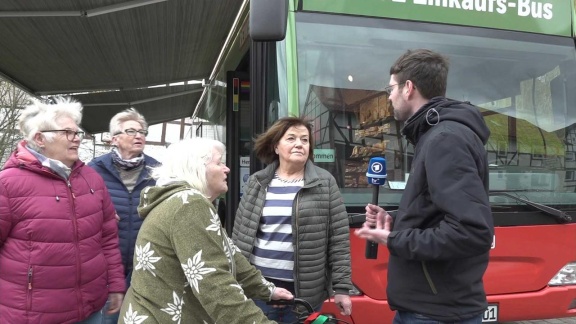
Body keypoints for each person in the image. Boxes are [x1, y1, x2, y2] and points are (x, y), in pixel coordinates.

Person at [355, 49, 494, 323]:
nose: (389, 96)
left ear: (408, 88)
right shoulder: (436, 134)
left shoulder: (444, 138)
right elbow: (439, 210)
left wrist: (393, 240)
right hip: (432, 307)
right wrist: (396, 221)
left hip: (435, 313)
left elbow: (471, 231)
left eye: (391, 88)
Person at [118, 138, 293, 323]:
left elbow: (228, 254)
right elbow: (215, 284)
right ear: (197, 168)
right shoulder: (189, 204)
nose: (227, 169)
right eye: (219, 163)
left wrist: (267, 290)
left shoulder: (181, 201)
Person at [0, 98, 125, 323]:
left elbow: (107, 238)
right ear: (40, 138)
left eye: (78, 133)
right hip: (31, 315)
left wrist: (116, 284)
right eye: (68, 132)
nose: (77, 138)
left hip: (90, 310)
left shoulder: (92, 179)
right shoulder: (7, 184)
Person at [232, 116, 353, 322]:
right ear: (276, 147)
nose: (299, 144)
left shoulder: (325, 183)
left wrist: (341, 288)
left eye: (305, 140)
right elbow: (239, 239)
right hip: (259, 293)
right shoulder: (257, 182)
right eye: (291, 138)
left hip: (302, 299)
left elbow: (339, 241)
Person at [88, 108, 158, 324]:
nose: (139, 136)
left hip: (144, 265)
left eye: (143, 132)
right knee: (107, 319)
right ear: (114, 139)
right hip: (105, 267)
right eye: (131, 131)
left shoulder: (158, 172)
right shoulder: (93, 170)